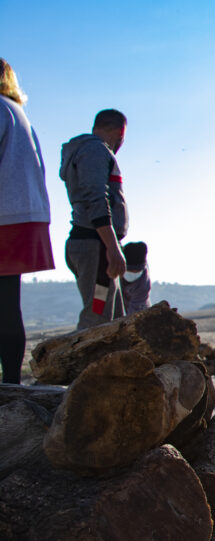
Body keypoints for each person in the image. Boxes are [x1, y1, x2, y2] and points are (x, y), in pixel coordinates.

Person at [0, 58, 55, 384]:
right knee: (8, 304)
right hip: (23, 214)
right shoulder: (18, 113)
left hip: (4, 215)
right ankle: (10, 384)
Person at [59, 109, 128, 329]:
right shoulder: (95, 151)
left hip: (95, 245)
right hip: (96, 248)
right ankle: (80, 362)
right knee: (97, 317)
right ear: (120, 131)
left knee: (115, 319)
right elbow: (96, 199)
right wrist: (112, 247)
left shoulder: (85, 150)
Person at [121, 241, 151, 314]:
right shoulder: (112, 270)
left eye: (137, 270)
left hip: (139, 311)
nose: (133, 273)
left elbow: (135, 313)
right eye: (129, 270)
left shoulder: (143, 284)